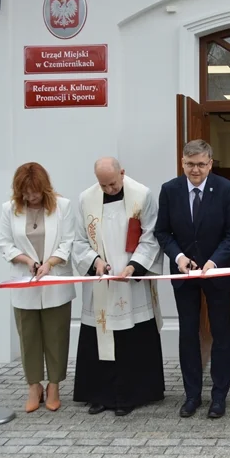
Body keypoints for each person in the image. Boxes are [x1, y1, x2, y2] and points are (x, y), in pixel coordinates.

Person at [155, 139, 230, 418]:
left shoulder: (227, 189)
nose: (196, 170)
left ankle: (219, 396)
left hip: (216, 272)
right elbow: (162, 232)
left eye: (201, 164)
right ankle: (192, 395)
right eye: (190, 164)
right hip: (183, 274)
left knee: (220, 334)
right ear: (182, 162)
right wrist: (179, 256)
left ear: (210, 162)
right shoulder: (170, 190)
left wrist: (214, 260)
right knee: (188, 334)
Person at [71, 157, 165, 416]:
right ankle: (99, 394)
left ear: (122, 173)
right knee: (99, 335)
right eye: (103, 186)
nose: (109, 189)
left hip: (130, 279)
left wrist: (134, 266)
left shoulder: (142, 195)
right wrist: (95, 262)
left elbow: (151, 235)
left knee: (131, 338)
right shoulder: (85, 199)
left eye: (112, 183)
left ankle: (132, 394)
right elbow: (78, 240)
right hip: (101, 280)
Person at [0, 163, 75, 413]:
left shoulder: (63, 207)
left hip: (55, 281)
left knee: (56, 335)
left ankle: (54, 386)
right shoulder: (9, 209)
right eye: (25, 192)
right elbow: (4, 243)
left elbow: (68, 242)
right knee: (28, 337)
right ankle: (34, 386)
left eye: (35, 192)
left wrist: (50, 263)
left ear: (44, 187)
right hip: (24, 281)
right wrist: (27, 260)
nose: (30, 197)